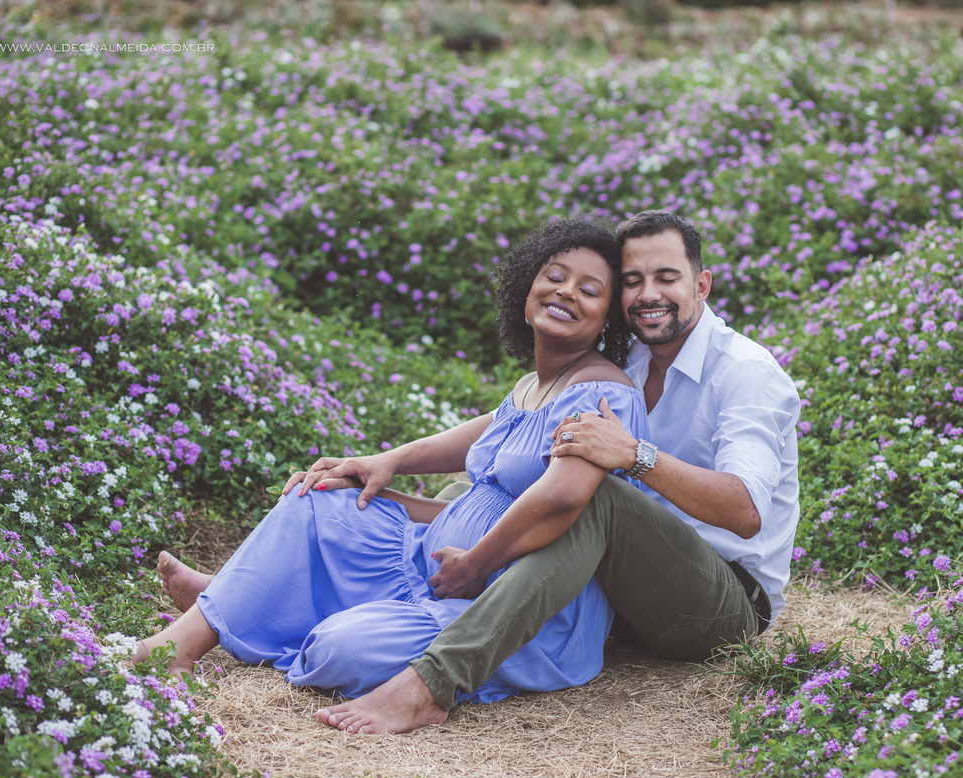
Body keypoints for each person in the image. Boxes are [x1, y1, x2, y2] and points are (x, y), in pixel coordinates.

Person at [283, 209, 802, 735]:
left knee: (596, 500)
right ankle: (319, 606)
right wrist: (393, 459)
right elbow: (518, 418)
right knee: (481, 487)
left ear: (702, 283)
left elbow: (746, 511)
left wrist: (634, 454)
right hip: (621, 580)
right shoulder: (635, 358)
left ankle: (434, 681)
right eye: (632, 281)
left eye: (667, 278)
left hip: (718, 602)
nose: (649, 294)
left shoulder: (747, 374)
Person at [132, 217, 652, 713]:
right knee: (321, 493)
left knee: (339, 651)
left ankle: (247, 598)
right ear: (526, 288)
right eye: (555, 277)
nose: (565, 292)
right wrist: (388, 462)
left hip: (505, 604)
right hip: (429, 565)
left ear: (608, 318)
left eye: (589, 290)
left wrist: (475, 566)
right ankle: (193, 633)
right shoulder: (539, 383)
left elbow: (562, 497)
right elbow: (492, 429)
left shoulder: (604, 394)